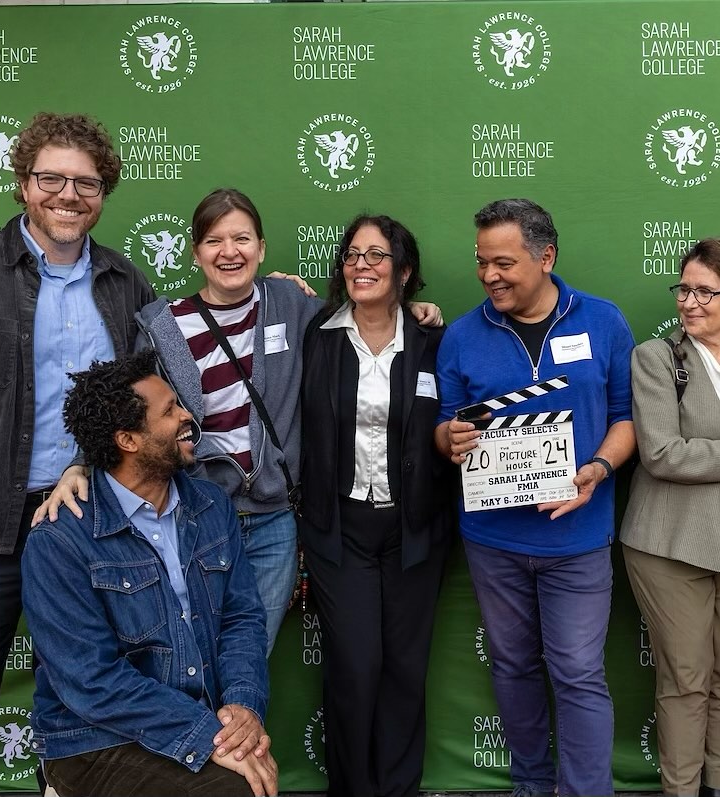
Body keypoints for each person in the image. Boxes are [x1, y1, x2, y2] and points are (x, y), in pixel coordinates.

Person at [41, 188, 441, 654]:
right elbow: (124, 407)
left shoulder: (291, 303)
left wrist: (406, 311)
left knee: (249, 662)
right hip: (194, 518)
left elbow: (362, 315)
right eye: (214, 241)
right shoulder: (162, 324)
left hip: (274, 524)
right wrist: (79, 464)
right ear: (195, 253)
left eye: (242, 239)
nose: (229, 252)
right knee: (192, 659)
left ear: (262, 247)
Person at [0, 111, 155, 795]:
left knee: (85, 701)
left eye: (87, 182)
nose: (69, 195)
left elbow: (153, 395)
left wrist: (280, 294)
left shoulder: (123, 281)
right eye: (52, 178)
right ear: (23, 183)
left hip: (85, 519)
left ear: (103, 192)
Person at [435, 198, 636, 797]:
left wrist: (598, 468)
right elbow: (446, 424)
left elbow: (627, 419)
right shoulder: (463, 336)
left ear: (546, 257)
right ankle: (529, 784)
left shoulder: (603, 322)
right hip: (494, 540)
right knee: (514, 669)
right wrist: (450, 438)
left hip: (578, 536)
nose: (489, 275)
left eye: (503, 262)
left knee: (577, 672)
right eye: (480, 263)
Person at [21, 351, 277, 797]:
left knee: (250, 781)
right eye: (170, 411)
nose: (187, 417)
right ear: (128, 440)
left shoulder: (210, 505)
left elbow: (242, 620)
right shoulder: (60, 540)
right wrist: (204, 735)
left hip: (201, 718)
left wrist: (241, 713)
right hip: (94, 741)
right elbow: (91, 681)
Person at [298, 214, 453, 797]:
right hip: (339, 529)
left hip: (415, 528)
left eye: (378, 255)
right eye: (353, 254)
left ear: (404, 271)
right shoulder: (317, 335)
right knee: (356, 668)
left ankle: (397, 788)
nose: (362, 264)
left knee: (405, 670)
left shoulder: (435, 340)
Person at [620, 239, 720, 797]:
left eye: (706, 291)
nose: (690, 302)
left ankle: (719, 787)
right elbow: (664, 455)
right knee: (687, 680)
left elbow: (698, 452)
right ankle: (681, 791)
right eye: (684, 288)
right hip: (670, 545)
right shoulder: (657, 359)